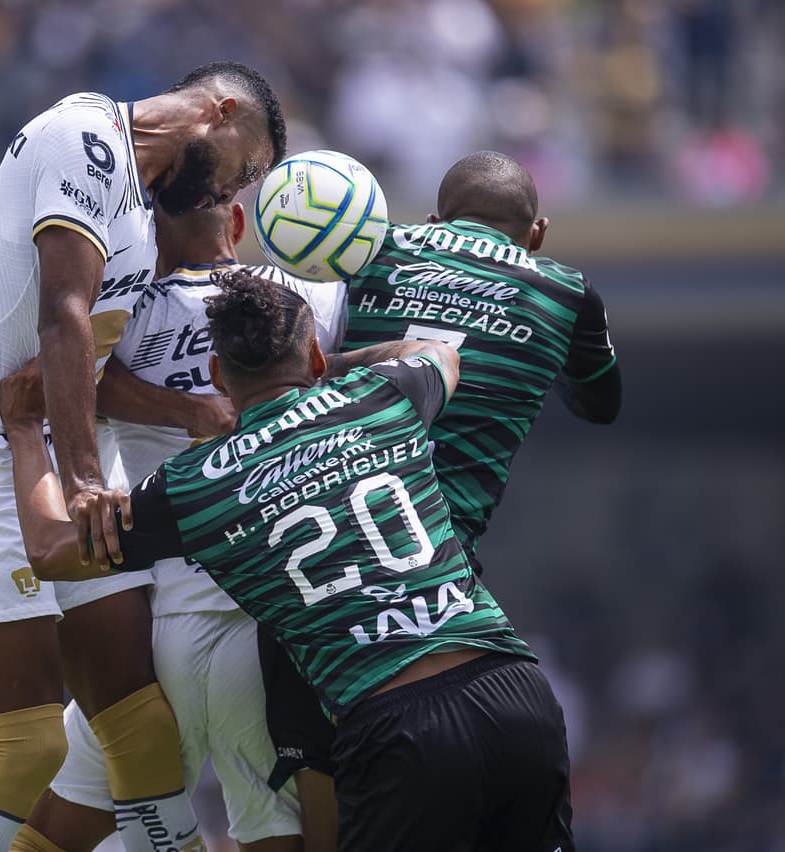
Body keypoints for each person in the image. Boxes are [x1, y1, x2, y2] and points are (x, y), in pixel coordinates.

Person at [1, 272, 575, 852]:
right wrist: (328, 366)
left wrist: (26, 430)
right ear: (314, 354)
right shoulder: (382, 399)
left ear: (218, 376)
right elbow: (438, 352)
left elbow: (50, 549)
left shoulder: (201, 486)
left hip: (397, 726)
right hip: (513, 691)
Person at [0, 62, 286, 852]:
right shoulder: (84, 138)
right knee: (29, 743)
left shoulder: (140, 212)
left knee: (141, 728)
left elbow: (90, 372)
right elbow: (62, 317)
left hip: (52, 451)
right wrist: (83, 482)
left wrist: (189, 409)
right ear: (223, 110)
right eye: (248, 168)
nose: (229, 193)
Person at [261, 149, 621, 848]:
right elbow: (600, 403)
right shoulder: (566, 290)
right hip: (438, 590)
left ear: (433, 219)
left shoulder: (377, 246)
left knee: (312, 821)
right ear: (538, 232)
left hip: (314, 579)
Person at [5, 202, 344, 852]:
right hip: (265, 636)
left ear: (148, 234)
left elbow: (62, 373)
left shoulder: (124, 311)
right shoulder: (311, 302)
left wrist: (182, 409)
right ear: (240, 220)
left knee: (54, 834)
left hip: (153, 635)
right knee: (269, 829)